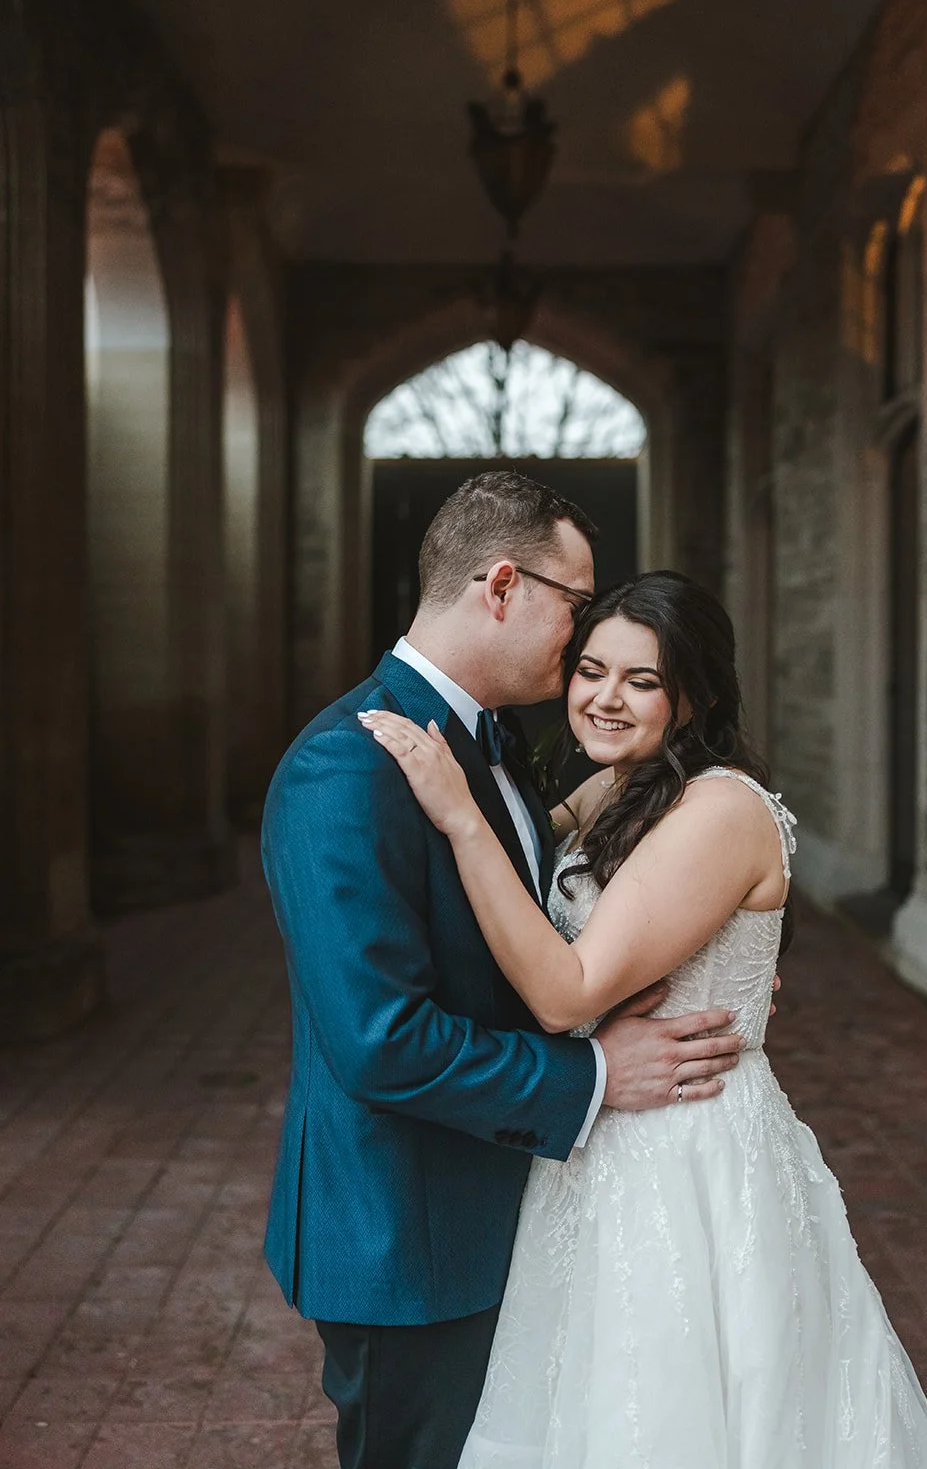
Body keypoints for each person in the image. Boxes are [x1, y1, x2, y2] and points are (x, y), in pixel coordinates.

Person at [361, 570, 927, 1469]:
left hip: (686, 1148)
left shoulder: (716, 809)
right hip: (605, 1132)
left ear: (695, 695)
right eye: (591, 669)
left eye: (642, 681)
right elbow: (529, 888)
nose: (603, 698)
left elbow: (565, 989)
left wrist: (459, 819)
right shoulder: (622, 789)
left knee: (677, 1408)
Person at [260, 474, 751, 1469]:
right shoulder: (348, 765)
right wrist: (600, 1074)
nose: (579, 644)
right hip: (414, 1234)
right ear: (499, 585)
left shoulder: (494, 743)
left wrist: (714, 967)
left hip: (514, 1202)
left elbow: (556, 921)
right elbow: (381, 1041)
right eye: (574, 606)